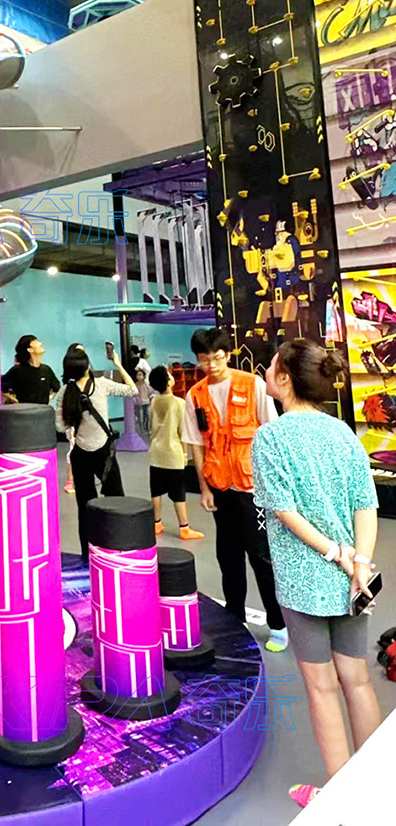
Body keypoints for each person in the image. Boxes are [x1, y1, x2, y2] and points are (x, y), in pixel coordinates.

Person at [252, 339, 380, 810]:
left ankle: (340, 800)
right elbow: (366, 504)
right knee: (358, 680)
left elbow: (284, 511)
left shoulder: (271, 437)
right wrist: (359, 563)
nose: (267, 372)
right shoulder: (343, 433)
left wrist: (336, 554)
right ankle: (376, 786)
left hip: (304, 581)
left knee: (322, 687)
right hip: (353, 583)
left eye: (271, 366)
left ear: (285, 378)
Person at [183, 328, 288, 652]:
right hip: (219, 486)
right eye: (204, 360)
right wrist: (204, 488)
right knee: (227, 556)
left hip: (252, 487)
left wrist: (273, 485)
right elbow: (196, 445)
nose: (212, 365)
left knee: (261, 556)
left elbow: (271, 435)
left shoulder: (252, 384)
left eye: (217, 358)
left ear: (227, 355)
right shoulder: (195, 395)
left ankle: (278, 624)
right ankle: (235, 618)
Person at [55, 342, 138, 560]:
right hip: (104, 454)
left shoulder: (65, 391)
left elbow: (60, 426)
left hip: (80, 454)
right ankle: (118, 549)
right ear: (86, 366)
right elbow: (132, 390)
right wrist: (117, 363)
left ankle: (87, 555)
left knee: (85, 507)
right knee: (116, 500)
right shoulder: (101, 384)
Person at [148, 365, 203, 541]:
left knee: (156, 491)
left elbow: (150, 426)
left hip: (155, 452)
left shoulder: (154, 401)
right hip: (173, 454)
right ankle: (184, 527)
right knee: (179, 492)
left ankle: (156, 523)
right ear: (169, 382)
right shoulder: (179, 403)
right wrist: (185, 455)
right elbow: (183, 433)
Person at [1, 335, 61, 404]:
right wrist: (16, 401)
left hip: (43, 409)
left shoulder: (46, 369)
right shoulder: (17, 371)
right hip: (25, 409)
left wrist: (49, 398)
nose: (40, 343)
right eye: (35, 341)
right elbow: (2, 388)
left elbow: (56, 387)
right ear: (29, 349)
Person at [134, 368, 153, 439]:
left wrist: (150, 399)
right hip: (139, 404)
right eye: (137, 375)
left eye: (140, 375)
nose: (138, 376)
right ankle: (142, 431)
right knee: (140, 418)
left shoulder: (147, 384)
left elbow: (150, 392)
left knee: (148, 416)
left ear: (144, 376)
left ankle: (148, 429)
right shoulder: (135, 385)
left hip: (147, 403)